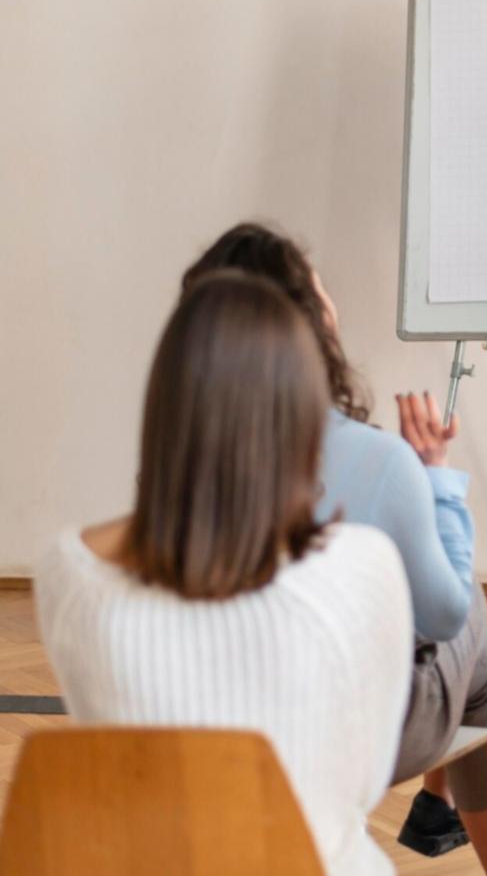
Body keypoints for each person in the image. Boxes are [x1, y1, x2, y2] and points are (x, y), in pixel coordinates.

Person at [35, 272, 413, 875]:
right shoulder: (364, 567)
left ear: (165, 408)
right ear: (302, 417)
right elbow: (363, 785)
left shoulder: (69, 573)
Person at [182, 224, 487, 875]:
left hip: (216, 738)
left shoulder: (175, 468)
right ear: (311, 326)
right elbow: (443, 616)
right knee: (473, 619)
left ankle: (437, 808)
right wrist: (437, 482)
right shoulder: (380, 462)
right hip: (350, 741)